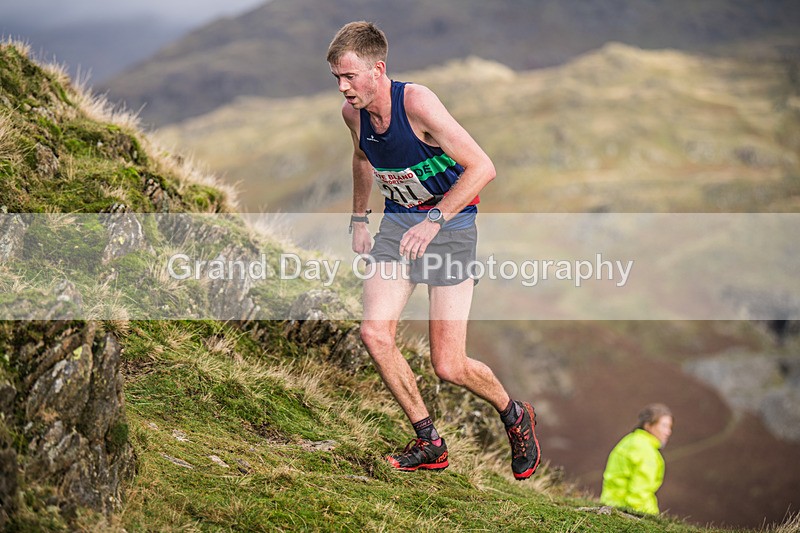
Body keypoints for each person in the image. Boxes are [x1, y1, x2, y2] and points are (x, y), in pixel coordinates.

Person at [326, 21, 540, 479]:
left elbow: (483, 168)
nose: (343, 88)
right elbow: (363, 158)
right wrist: (359, 217)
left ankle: (514, 414)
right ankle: (430, 442)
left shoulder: (416, 103)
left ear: (378, 69)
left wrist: (434, 220)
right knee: (374, 333)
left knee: (448, 364)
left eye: (350, 77)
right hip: (398, 222)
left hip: (451, 225)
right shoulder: (354, 115)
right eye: (337, 79)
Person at [600, 403, 674, 514]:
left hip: (608, 505)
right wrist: (649, 520)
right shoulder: (646, 451)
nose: (668, 432)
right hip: (629, 512)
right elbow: (639, 494)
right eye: (664, 425)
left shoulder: (629, 440)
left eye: (669, 427)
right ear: (648, 425)